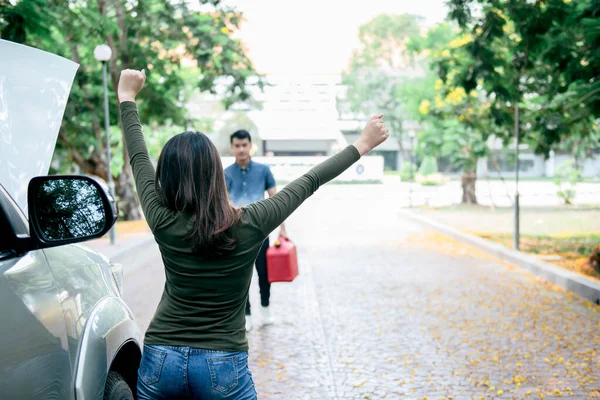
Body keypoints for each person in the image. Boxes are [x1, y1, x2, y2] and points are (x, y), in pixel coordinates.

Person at [117, 69, 389, 400]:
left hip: (162, 358)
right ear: (217, 172)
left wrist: (127, 98)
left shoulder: (161, 219)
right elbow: (309, 182)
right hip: (223, 362)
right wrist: (362, 143)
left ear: (167, 177)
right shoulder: (251, 222)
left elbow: (139, 158)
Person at [224, 130, 285, 332]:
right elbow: (221, 204)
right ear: (232, 147)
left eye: (244, 145)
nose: (241, 149)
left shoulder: (263, 170)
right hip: (235, 235)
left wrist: (282, 230)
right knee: (241, 277)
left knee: (264, 274)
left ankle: (266, 310)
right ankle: (247, 315)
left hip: (260, 233)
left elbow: (276, 201)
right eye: (237, 145)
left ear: (250, 146)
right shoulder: (225, 174)